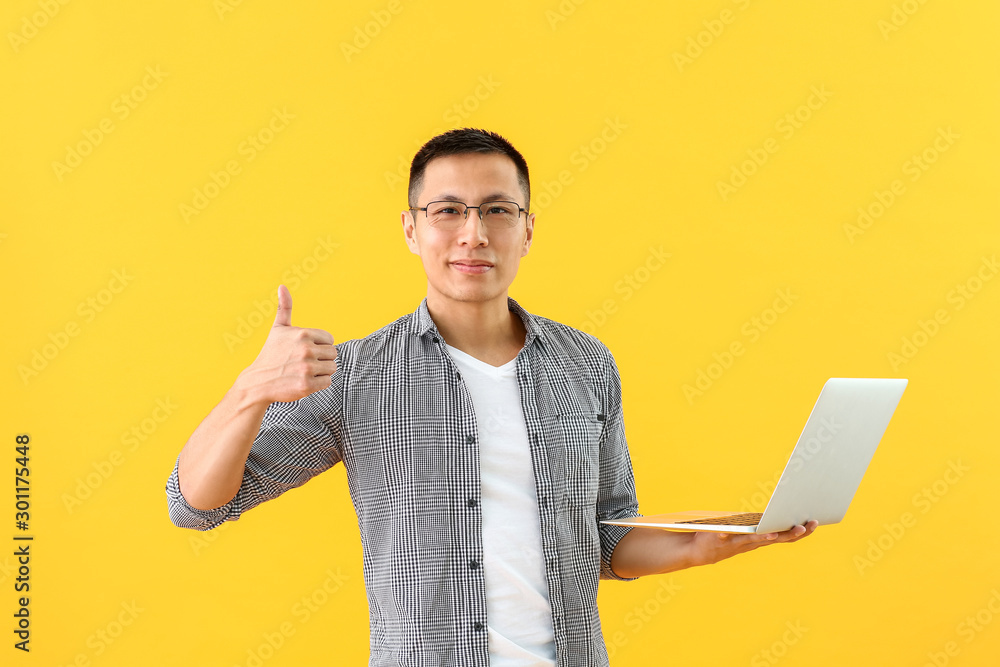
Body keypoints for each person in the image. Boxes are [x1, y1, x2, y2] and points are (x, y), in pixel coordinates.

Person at [165, 128, 817, 666]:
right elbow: (194, 503)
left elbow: (609, 543)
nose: (473, 233)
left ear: (527, 229)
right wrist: (250, 390)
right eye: (448, 210)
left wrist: (731, 532)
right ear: (411, 229)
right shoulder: (357, 374)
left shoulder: (585, 364)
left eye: (497, 210)